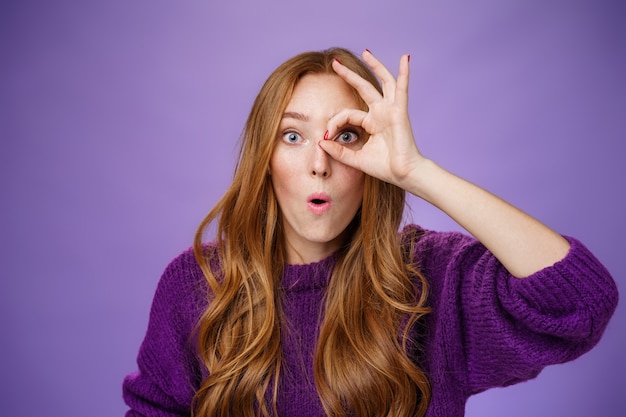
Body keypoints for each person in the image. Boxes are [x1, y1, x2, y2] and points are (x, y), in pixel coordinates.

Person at [122, 47, 618, 417]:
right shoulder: (198, 285)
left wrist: (416, 172)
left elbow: (579, 301)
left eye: (345, 136)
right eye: (292, 136)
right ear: (264, 160)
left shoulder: (430, 280)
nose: (320, 163)